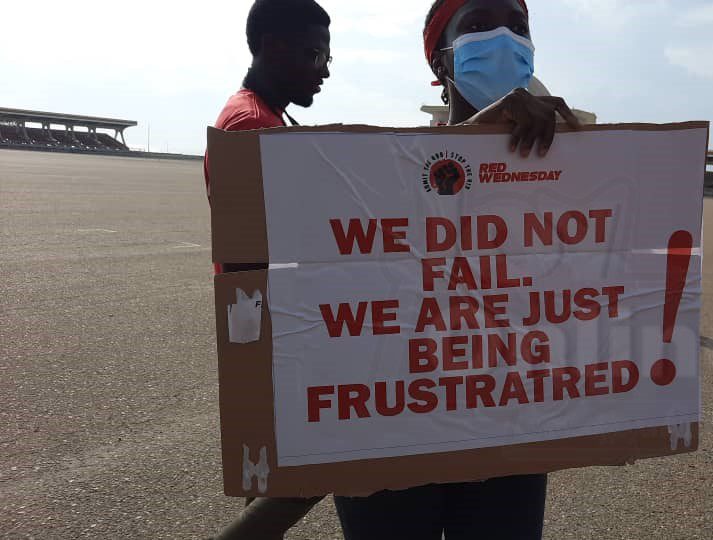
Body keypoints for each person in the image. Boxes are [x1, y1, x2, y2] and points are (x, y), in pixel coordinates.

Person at [332, 2, 579, 540]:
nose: (503, 39)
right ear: (440, 60)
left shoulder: (573, 157)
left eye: (518, 27)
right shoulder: (373, 164)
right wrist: (482, 129)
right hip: (390, 423)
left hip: (506, 420)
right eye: (479, 24)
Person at [206, 1, 330, 538]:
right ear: (274, 48)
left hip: (277, 320)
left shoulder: (264, 117)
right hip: (276, 326)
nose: (324, 69)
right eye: (314, 54)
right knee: (332, 455)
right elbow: (253, 252)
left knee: (318, 462)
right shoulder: (251, 125)